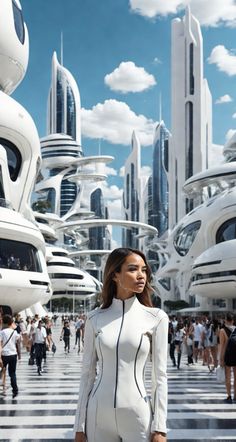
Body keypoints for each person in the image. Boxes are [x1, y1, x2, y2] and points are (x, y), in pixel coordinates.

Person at [74, 247, 168, 442]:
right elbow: (87, 375)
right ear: (115, 274)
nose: (141, 276)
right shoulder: (94, 319)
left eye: (144, 270)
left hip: (137, 413)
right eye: (133, 269)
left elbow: (160, 376)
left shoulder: (156, 318)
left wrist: (160, 427)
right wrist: (79, 426)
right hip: (98, 413)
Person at [0, 314, 21, 398]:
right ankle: (15, 389)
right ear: (11, 322)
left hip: (4, 355)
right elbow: (19, 341)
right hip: (13, 354)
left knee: (1, 371)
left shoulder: (2, 332)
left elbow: (0, 344)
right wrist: (19, 355)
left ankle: (3, 386)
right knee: (12, 373)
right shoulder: (14, 332)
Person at [219, 313, 236, 403]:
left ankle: (229, 396)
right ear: (233, 320)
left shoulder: (222, 331)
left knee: (228, 377)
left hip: (228, 356)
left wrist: (221, 359)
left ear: (225, 320)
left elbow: (222, 346)